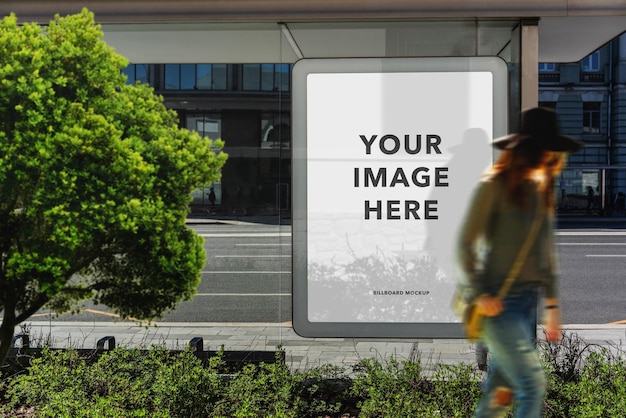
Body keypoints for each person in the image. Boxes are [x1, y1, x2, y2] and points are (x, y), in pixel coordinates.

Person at [456, 107, 583, 417]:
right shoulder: (493, 186)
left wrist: (552, 307)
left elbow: (544, 253)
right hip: (498, 304)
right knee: (531, 384)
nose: (553, 158)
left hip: (526, 303)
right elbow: (465, 243)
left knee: (500, 393)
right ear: (528, 150)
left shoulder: (540, 188)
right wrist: (481, 292)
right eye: (548, 151)